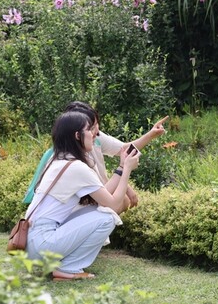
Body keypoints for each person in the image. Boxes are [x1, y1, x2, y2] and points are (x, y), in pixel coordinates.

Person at [25, 110, 139, 280]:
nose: (94, 134)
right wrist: (127, 169)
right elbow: (114, 204)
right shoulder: (76, 167)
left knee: (97, 210)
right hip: (43, 244)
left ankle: (61, 266)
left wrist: (122, 166)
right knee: (107, 217)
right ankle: (68, 269)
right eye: (89, 130)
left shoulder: (60, 160)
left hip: (33, 243)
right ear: (78, 135)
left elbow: (104, 196)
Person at [23, 101, 169, 214]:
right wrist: (124, 170)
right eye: (90, 127)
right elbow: (108, 201)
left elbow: (124, 149)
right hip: (68, 213)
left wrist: (151, 134)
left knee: (115, 204)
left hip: (65, 211)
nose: (95, 131)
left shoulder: (89, 142)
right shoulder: (74, 162)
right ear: (77, 133)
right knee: (107, 213)